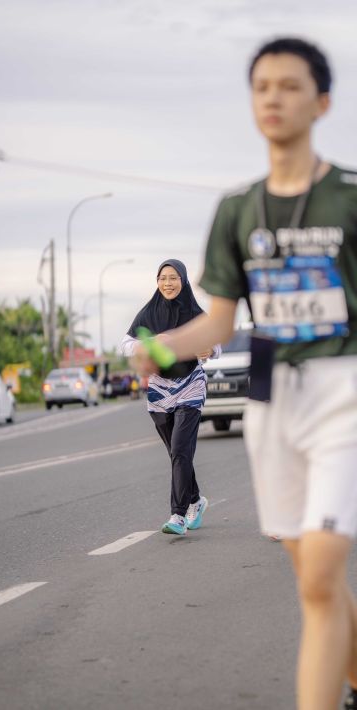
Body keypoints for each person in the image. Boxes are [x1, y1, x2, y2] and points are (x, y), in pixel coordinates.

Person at [133, 38, 357, 710]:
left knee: (320, 569)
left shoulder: (349, 199)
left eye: (290, 86)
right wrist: (161, 349)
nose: (273, 98)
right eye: (262, 87)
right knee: (313, 573)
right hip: (271, 398)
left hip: (343, 391)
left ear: (321, 102)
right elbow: (220, 323)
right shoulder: (237, 210)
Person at [121, 259, 220, 535]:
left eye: (173, 278)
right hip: (159, 390)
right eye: (163, 278)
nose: (168, 283)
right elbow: (125, 345)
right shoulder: (148, 313)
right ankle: (195, 500)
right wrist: (151, 343)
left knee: (180, 448)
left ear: (183, 281)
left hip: (190, 385)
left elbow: (215, 343)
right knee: (177, 453)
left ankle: (178, 515)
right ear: (157, 282)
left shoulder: (195, 314)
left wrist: (209, 350)